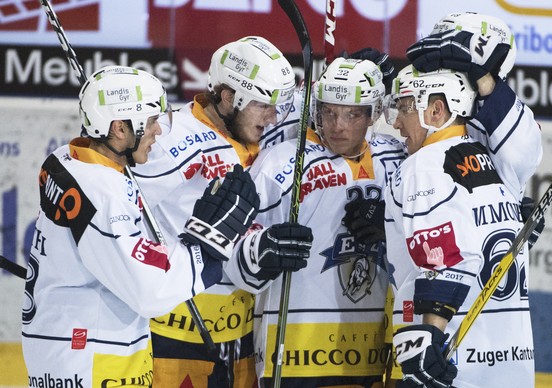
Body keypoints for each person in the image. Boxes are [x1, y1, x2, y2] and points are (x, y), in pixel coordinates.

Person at [21, 65, 259, 387]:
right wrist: (206, 244)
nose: (158, 132)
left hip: (68, 341)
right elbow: (149, 291)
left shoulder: (69, 158)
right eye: (150, 122)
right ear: (119, 128)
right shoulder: (105, 196)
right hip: (93, 356)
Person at [224, 57, 407, 387]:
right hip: (293, 354)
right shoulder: (281, 162)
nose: (338, 125)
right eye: (329, 111)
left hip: (371, 356)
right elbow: (237, 246)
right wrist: (260, 250)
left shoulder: (397, 158)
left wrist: (391, 224)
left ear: (373, 113)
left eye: (352, 114)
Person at [131, 36, 302, 387]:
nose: (273, 118)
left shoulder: (259, 133)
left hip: (242, 338)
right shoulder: (169, 140)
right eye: (263, 106)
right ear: (228, 97)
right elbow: (115, 203)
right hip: (173, 337)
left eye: (278, 106)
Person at [384, 64, 537, 387]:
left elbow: (445, 258)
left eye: (405, 108)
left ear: (436, 110)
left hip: (453, 365)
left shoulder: (424, 165)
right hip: (513, 364)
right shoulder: (492, 160)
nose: (397, 123)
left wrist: (428, 344)